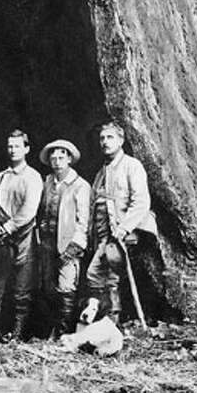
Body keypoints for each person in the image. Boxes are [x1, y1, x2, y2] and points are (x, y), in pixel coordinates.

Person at [86, 122, 157, 324]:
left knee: (98, 274)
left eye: (110, 137)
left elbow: (142, 201)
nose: (105, 142)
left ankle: (111, 320)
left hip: (125, 231)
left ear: (121, 140)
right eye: (102, 138)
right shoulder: (102, 172)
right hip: (104, 234)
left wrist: (124, 228)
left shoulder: (131, 165)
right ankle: (108, 322)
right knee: (108, 278)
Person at [0, 130, 43, 341]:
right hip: (1, 239)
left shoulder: (33, 177)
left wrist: (8, 226)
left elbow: (29, 210)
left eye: (17, 146)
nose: (12, 150)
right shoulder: (1, 176)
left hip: (23, 238)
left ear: (26, 149)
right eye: (9, 146)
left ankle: (17, 336)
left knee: (22, 290)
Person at [37, 139, 91, 336]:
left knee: (66, 287)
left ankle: (64, 335)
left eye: (61, 157)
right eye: (53, 158)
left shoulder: (80, 185)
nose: (57, 161)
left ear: (69, 159)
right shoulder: (47, 182)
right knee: (48, 287)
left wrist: (75, 245)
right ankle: (50, 332)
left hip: (68, 244)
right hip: (46, 243)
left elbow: (83, 220)